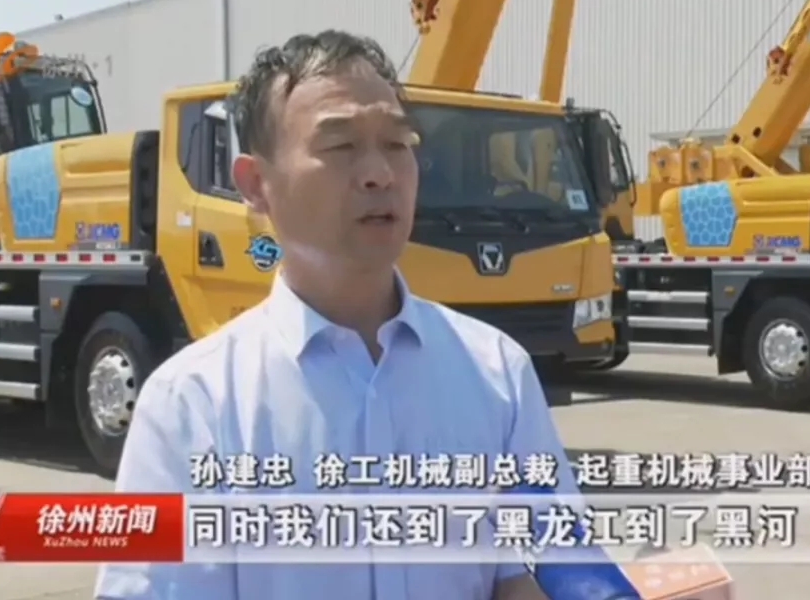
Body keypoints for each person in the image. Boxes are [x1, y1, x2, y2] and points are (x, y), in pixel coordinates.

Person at [95, 30, 576, 600]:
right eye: (341, 145)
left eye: (397, 143)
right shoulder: (192, 404)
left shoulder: (497, 372)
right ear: (256, 184)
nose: (380, 174)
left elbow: (530, 572)